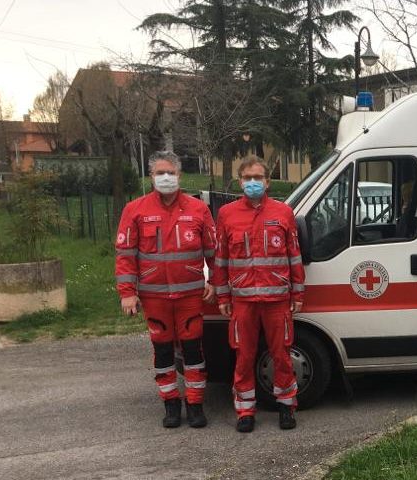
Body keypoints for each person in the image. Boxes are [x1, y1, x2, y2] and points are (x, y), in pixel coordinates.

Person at [115, 150, 216, 428]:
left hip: (190, 297)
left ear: (180, 175)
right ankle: (170, 404)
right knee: (162, 353)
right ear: (151, 176)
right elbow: (125, 254)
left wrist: (216, 280)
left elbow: (213, 251)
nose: (166, 177)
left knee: (194, 352)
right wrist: (127, 292)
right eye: (160, 173)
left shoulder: (198, 209)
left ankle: (195, 404)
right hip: (154, 297)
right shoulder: (134, 210)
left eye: (170, 172)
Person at [211, 155, 305, 432]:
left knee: (281, 356)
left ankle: (286, 406)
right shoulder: (227, 214)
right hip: (243, 301)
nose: (253, 182)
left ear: (268, 181)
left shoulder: (283, 212)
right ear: (240, 181)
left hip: (277, 300)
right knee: (244, 357)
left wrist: (298, 294)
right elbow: (221, 259)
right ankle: (245, 411)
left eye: (258, 178)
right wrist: (223, 296)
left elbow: (294, 256)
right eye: (247, 178)